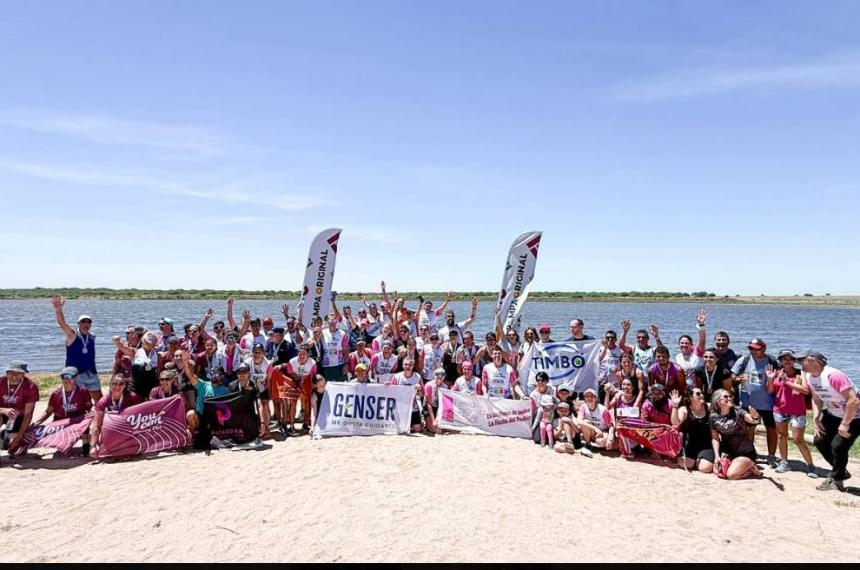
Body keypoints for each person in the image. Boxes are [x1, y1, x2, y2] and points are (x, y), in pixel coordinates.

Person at [799, 350, 860, 492]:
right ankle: (840, 472)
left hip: (854, 416)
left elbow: (853, 400)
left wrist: (845, 424)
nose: (799, 363)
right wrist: (816, 417)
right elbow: (817, 398)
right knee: (819, 440)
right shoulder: (809, 376)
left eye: (801, 360)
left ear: (813, 360)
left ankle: (836, 480)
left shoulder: (833, 375)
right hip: (833, 414)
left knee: (838, 446)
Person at [766, 350, 816, 477]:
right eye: (784, 359)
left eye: (790, 359)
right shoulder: (776, 373)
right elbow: (770, 391)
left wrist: (787, 382)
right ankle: (784, 462)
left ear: (794, 361)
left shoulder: (800, 373)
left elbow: (805, 390)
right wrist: (771, 379)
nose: (787, 361)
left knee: (798, 439)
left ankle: (810, 466)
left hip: (797, 411)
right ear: (781, 360)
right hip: (779, 409)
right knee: (781, 435)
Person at [731, 338, 779, 466]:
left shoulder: (771, 361)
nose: (752, 351)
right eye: (750, 348)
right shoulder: (744, 360)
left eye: (756, 349)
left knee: (771, 429)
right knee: (749, 429)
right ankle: (750, 454)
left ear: (763, 348)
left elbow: (780, 377)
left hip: (768, 403)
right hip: (748, 402)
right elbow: (733, 376)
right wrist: (739, 378)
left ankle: (772, 456)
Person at [51, 296, 102, 401]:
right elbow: (62, 324)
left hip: (91, 373)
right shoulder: (72, 335)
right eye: (83, 321)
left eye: (89, 322)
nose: (86, 324)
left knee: (99, 400)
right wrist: (58, 309)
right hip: (76, 375)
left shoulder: (92, 337)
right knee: (79, 400)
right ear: (78, 324)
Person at [709, 389, 762, 480]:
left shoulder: (738, 411)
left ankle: (751, 468)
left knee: (731, 475)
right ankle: (739, 466)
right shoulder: (713, 417)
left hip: (744, 452)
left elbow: (752, 420)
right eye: (726, 397)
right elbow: (715, 438)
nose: (729, 398)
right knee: (718, 472)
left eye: (730, 396)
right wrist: (717, 456)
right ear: (717, 401)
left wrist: (755, 417)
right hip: (728, 452)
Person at [90, 374, 143, 457]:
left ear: (125, 386)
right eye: (114, 383)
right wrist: (92, 447)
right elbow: (96, 426)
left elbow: (143, 417)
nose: (117, 386)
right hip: (110, 433)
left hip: (128, 432)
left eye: (121, 384)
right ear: (110, 384)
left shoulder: (133, 398)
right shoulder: (103, 402)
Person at [1, 361, 40, 456]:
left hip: (19, 417)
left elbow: (28, 415)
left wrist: (18, 438)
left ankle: (7, 436)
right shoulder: (1, 382)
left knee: (16, 449)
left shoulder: (31, 387)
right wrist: (3, 410)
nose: (14, 376)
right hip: (2, 414)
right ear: (6, 372)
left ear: (24, 373)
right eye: (11, 373)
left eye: (18, 373)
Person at [670, 387, 714, 472]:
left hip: (706, 445)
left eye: (701, 393)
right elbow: (675, 423)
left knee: (705, 468)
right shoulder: (684, 409)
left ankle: (700, 460)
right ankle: (697, 460)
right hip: (690, 445)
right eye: (698, 394)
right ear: (690, 397)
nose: (701, 395)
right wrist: (675, 406)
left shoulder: (708, 407)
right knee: (685, 464)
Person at [179, 351, 216, 436]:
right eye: (213, 374)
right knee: (190, 414)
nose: (215, 376)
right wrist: (185, 363)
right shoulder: (204, 384)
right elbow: (191, 377)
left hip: (216, 417)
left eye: (218, 374)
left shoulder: (225, 388)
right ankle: (191, 437)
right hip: (201, 416)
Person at [388, 357, 424, 433]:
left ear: (413, 366)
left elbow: (422, 394)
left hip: (413, 407)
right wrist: (387, 385)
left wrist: (419, 389)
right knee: (399, 429)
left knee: (417, 429)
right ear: (402, 365)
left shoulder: (417, 377)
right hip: (400, 408)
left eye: (410, 365)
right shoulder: (397, 377)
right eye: (406, 364)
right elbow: (390, 392)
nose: (408, 367)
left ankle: (410, 425)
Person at [245, 343, 273, 437]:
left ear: (263, 353)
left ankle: (266, 427)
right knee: (253, 406)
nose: (256, 354)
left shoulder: (268, 364)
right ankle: (257, 427)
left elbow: (269, 379)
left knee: (265, 405)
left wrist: (269, 392)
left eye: (259, 352)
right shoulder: (247, 362)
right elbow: (244, 377)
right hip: (250, 387)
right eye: (254, 352)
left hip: (262, 386)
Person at [675, 309, 708, 387]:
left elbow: (702, 340)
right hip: (683, 387)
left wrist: (701, 325)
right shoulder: (678, 357)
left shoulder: (697, 353)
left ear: (692, 345)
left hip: (698, 387)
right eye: (682, 343)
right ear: (679, 344)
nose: (684, 345)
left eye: (687, 343)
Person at [577, 388, 613, 452]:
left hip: (602, 431)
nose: (589, 398)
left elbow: (611, 426)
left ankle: (594, 439)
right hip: (593, 430)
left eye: (591, 396)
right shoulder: (583, 406)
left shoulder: (603, 410)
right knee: (585, 422)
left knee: (601, 443)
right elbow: (579, 421)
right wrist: (595, 428)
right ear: (585, 398)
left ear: (595, 398)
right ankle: (588, 444)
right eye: (587, 396)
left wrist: (610, 438)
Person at [131, 331, 161, 400]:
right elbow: (124, 349)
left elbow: (158, 372)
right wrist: (118, 343)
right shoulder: (135, 351)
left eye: (150, 343)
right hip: (138, 382)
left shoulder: (157, 355)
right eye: (146, 342)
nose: (148, 344)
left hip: (151, 381)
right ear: (142, 342)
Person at [321, 317, 349, 382]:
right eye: (330, 323)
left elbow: (346, 350)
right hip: (327, 366)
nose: (332, 324)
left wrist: (346, 364)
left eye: (334, 323)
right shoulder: (323, 333)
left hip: (339, 365)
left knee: (342, 386)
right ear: (327, 323)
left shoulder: (342, 333)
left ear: (336, 323)